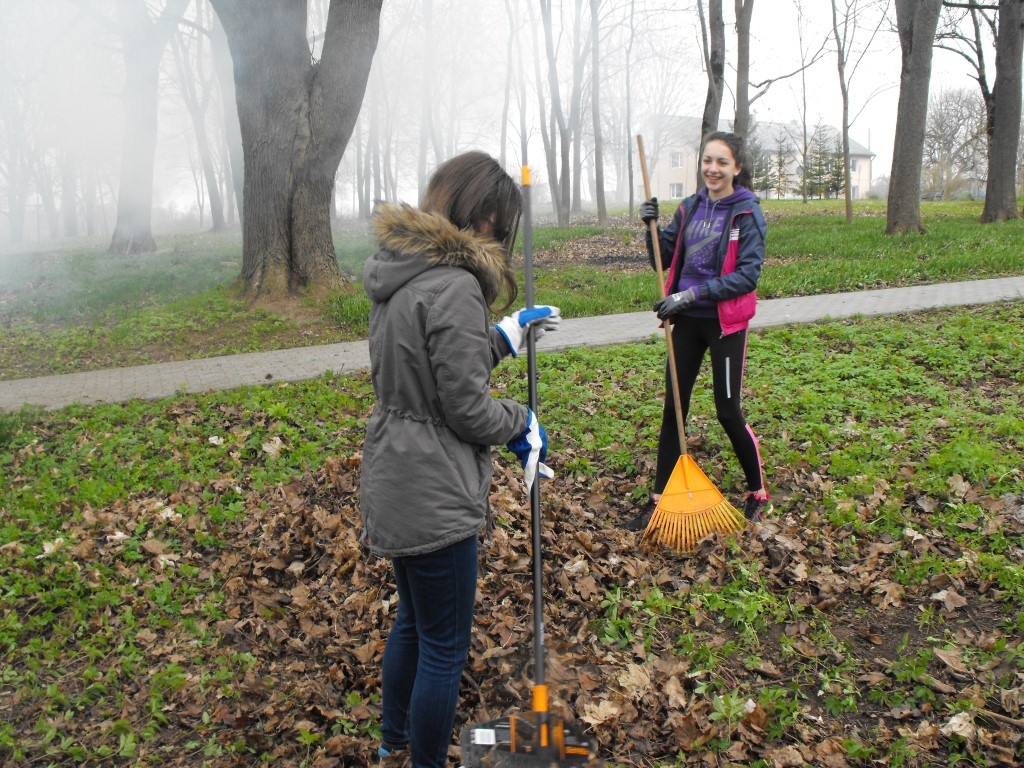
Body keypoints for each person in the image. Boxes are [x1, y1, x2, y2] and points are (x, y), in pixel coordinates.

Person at [359, 151, 559, 768]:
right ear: (487, 217)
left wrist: (501, 337)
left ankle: (393, 745)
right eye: (502, 223)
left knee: (414, 627)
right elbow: (466, 409)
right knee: (444, 646)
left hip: (394, 472)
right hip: (434, 488)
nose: (502, 238)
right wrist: (521, 422)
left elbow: (429, 372)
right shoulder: (457, 285)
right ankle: (422, 762)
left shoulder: (402, 271)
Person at [623, 131, 771, 532]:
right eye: (708, 160)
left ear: (736, 168)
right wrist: (649, 225)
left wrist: (691, 295)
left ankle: (757, 492)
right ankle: (660, 498)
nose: (713, 168)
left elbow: (747, 275)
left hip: (723, 324)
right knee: (674, 408)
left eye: (722, 162)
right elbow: (664, 256)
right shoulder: (690, 208)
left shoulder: (746, 213)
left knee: (727, 411)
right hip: (686, 323)